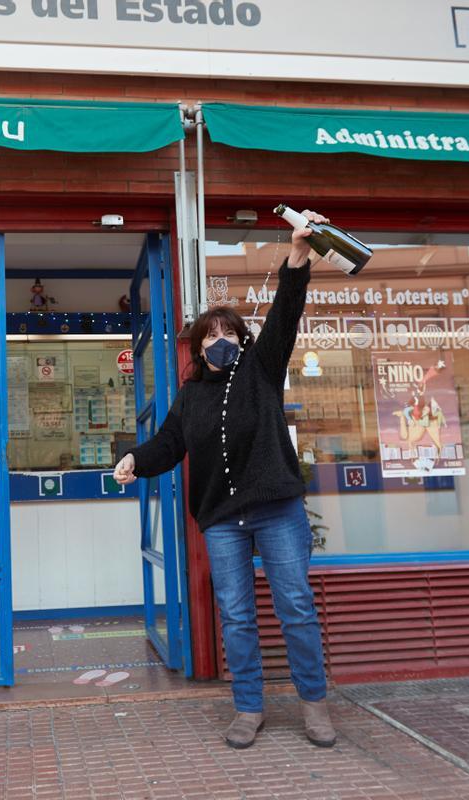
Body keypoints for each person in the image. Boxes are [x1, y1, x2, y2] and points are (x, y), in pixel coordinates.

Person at [113, 212, 335, 750]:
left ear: (241, 338)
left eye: (227, 333)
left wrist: (297, 254)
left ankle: (314, 706)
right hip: (222, 521)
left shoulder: (262, 369)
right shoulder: (190, 397)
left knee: (296, 608)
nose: (219, 341)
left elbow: (286, 311)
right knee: (236, 616)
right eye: (210, 335)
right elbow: (168, 444)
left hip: (277, 509)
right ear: (196, 346)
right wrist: (134, 462)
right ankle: (249, 708)